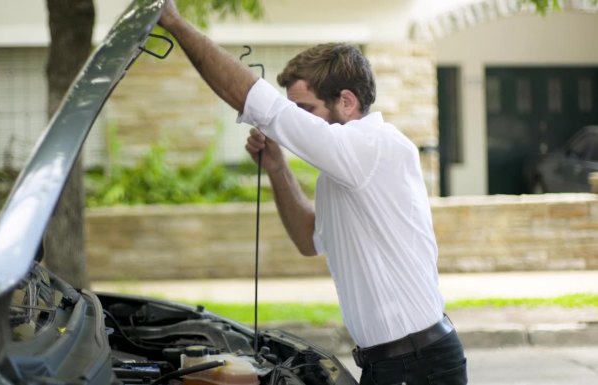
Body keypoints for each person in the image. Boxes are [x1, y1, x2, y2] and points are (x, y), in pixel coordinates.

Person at [158, 1, 467, 384]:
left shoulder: (370, 146)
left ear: (347, 102)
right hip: (392, 362)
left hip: (417, 363)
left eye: (305, 110)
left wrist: (172, 21)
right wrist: (277, 168)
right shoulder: (343, 171)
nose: (296, 123)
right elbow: (309, 238)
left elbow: (261, 106)